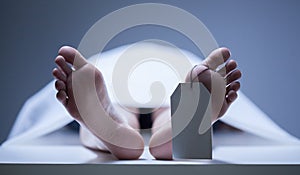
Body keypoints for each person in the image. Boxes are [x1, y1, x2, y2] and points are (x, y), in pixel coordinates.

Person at [52, 45, 241, 160]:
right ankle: (184, 121)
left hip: (116, 90)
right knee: (169, 110)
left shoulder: (111, 62)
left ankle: (108, 125)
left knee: (116, 107)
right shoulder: (176, 60)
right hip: (171, 88)